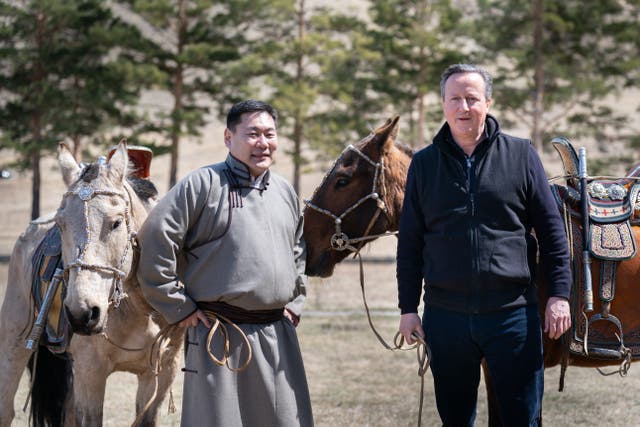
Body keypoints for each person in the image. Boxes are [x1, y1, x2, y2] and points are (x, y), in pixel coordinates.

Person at [396, 64, 571, 426]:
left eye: (472, 99)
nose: (464, 107)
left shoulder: (521, 156)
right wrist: (407, 308)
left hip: (512, 315)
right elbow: (410, 243)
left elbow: (553, 233)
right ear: (442, 105)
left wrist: (558, 295)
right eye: (454, 99)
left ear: (488, 103)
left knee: (521, 418)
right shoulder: (424, 165)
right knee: (455, 419)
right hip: (446, 317)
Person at [137, 100, 313, 426]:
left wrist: (295, 300)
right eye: (253, 134)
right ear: (228, 137)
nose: (263, 143)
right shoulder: (201, 185)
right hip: (219, 335)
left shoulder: (285, 192)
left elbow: (297, 250)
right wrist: (179, 306)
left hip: (278, 334)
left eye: (269, 134)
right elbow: (154, 240)